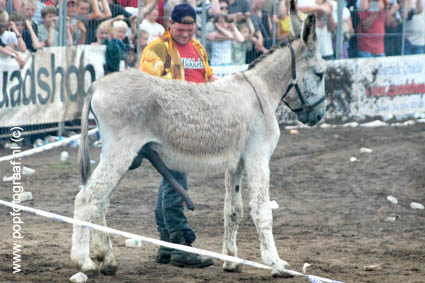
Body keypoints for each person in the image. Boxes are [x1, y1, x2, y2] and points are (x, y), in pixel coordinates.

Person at [139, 3, 217, 268]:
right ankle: (181, 245)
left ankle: (166, 245)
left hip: (193, 125)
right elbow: (149, 89)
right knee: (177, 182)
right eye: (180, 29)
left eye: (190, 28)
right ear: (170, 24)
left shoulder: (198, 48)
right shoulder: (156, 50)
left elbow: (208, 78)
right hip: (168, 126)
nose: (185, 34)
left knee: (169, 182)